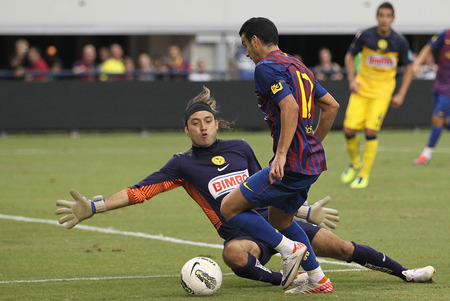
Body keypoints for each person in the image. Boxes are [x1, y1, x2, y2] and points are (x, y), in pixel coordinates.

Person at [55, 86, 435, 292]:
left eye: (208, 121)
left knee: (341, 247)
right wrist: (96, 205)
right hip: (244, 235)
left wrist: (303, 212)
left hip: (277, 221)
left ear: (217, 124)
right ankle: (292, 278)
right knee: (234, 254)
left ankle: (405, 274)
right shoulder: (181, 164)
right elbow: (140, 192)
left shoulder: (240, 149)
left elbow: (272, 184)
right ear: (186, 130)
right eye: (195, 123)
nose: (203, 127)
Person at [220, 17, 340, 294]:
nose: (246, 53)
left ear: (256, 40)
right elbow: (331, 106)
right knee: (281, 220)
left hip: (292, 164)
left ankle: (289, 249)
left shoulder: (265, 67)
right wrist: (310, 144)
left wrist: (283, 154)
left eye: (245, 45)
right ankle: (319, 280)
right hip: (310, 163)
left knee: (229, 208)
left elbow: (290, 108)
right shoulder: (298, 66)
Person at [341, 2, 414, 188]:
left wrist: (401, 94)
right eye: (381, 15)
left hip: (382, 93)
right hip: (361, 90)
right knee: (348, 130)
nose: (384, 19)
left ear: (393, 18)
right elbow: (349, 56)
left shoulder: (399, 41)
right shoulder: (366, 36)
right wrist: (352, 79)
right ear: (377, 17)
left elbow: (409, 68)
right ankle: (355, 161)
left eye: (388, 16)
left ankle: (363, 175)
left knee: (371, 131)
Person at [413, 29, 450, 165]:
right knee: (444, 121)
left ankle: (426, 155)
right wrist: (417, 64)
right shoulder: (445, 34)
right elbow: (429, 47)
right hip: (439, 84)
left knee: (437, 118)